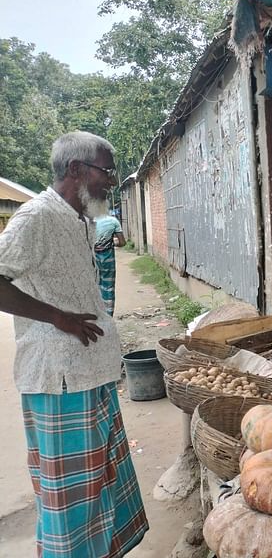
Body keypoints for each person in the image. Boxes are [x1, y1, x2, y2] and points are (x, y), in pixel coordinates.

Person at [0, 131, 148, 556]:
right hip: (60, 382)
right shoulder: (36, 218)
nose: (111, 180)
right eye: (106, 171)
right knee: (70, 500)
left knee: (101, 482)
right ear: (76, 170)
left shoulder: (80, 218)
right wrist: (56, 317)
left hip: (91, 374)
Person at [95, 212, 126, 315]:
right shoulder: (113, 221)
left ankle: (96, 315)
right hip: (108, 260)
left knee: (94, 286)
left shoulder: (88, 221)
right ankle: (108, 315)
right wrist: (112, 243)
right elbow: (122, 242)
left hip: (93, 259)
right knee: (108, 288)